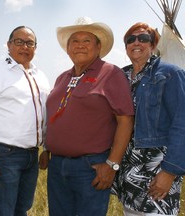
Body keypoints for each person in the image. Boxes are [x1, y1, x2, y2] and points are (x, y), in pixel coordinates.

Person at [39, 17, 135, 216]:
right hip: (57, 166)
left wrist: (112, 164)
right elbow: (58, 114)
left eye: (87, 41)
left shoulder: (110, 73)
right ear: (68, 48)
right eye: (75, 41)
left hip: (91, 167)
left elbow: (125, 120)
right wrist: (47, 148)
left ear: (98, 47)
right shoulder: (62, 77)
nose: (80, 45)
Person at [0, 26, 50, 216]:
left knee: (22, 210)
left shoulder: (40, 75)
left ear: (35, 47)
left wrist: (46, 147)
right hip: (5, 156)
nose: (24, 47)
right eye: (19, 42)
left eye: (30, 43)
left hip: (32, 156)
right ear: (8, 45)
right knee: (4, 212)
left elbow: (44, 115)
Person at [112, 22, 185, 216]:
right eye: (131, 39)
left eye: (143, 38)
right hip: (128, 173)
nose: (137, 42)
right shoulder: (119, 76)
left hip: (158, 171)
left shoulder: (170, 74)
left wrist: (170, 171)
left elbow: (182, 123)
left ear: (153, 45)